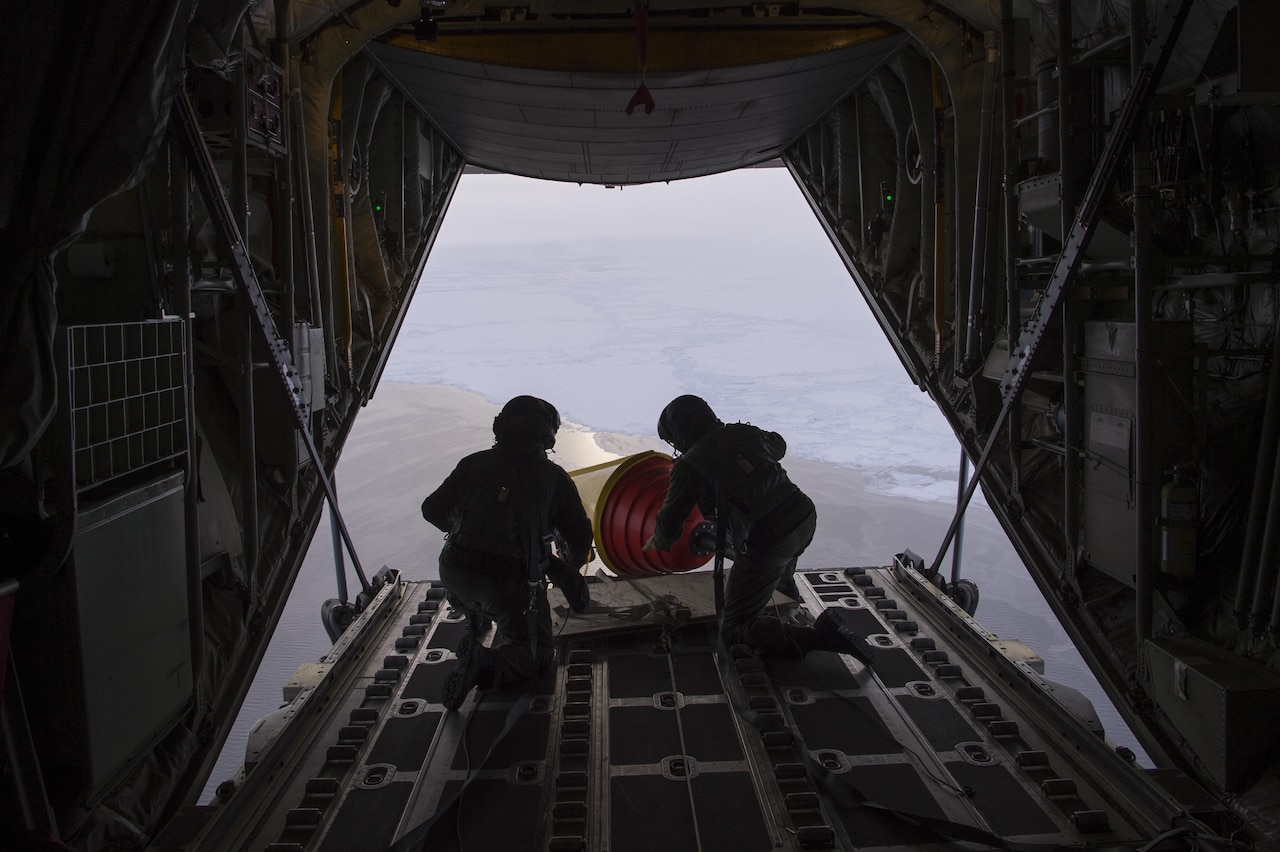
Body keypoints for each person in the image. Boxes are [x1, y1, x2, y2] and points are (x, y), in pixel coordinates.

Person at [644, 394, 874, 664]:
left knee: (732, 630)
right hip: (802, 517)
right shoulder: (744, 432)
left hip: (770, 536)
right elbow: (779, 445)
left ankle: (820, 637)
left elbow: (670, 523)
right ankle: (790, 608)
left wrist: (656, 543)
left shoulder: (688, 465)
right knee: (779, 571)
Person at [422, 395, 594, 710]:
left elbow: (432, 510)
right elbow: (580, 541)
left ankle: (475, 622)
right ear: (546, 436)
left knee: (478, 595)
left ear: (500, 428)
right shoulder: (555, 479)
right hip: (505, 585)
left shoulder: (473, 462)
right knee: (539, 651)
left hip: (455, 574)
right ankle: (484, 664)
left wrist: (464, 528)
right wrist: (558, 564)